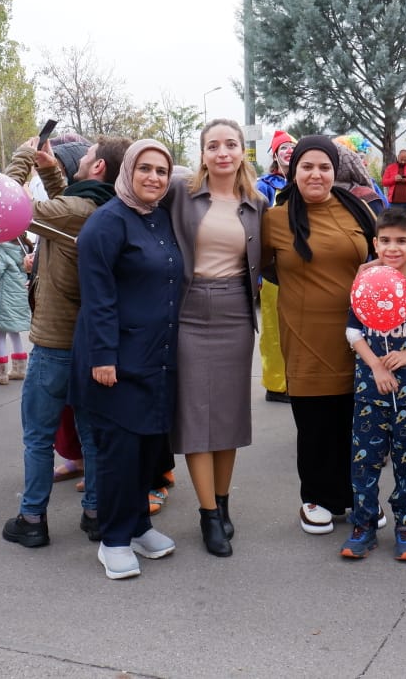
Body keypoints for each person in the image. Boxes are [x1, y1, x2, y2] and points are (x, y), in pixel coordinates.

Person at [0, 134, 128, 549]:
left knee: (37, 435)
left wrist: (22, 157)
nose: (83, 156)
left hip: (56, 343)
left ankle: (32, 517)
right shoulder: (107, 207)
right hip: (91, 342)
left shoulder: (76, 210)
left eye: (88, 154)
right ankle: (94, 513)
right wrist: (50, 168)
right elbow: (69, 205)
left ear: (99, 168)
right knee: (90, 433)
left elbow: (7, 205)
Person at [72, 140, 183, 580]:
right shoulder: (106, 223)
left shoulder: (158, 218)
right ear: (128, 172)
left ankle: (138, 525)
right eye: (145, 169)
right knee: (118, 453)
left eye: (161, 170)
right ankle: (113, 540)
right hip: (114, 359)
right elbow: (97, 298)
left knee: (145, 449)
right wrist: (103, 356)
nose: (154, 178)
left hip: (156, 355)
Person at [261, 135, 378, 535]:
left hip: (359, 335)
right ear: (293, 171)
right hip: (305, 334)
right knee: (315, 423)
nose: (315, 174)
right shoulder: (276, 218)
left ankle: (358, 494)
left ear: (335, 171)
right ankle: (316, 497)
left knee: (356, 420)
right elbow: (263, 266)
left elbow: (381, 257)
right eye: (307, 166)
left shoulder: (358, 209)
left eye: (323, 167)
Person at [164, 119, 266, 557]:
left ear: (243, 150)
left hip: (236, 313)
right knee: (195, 416)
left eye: (230, 144)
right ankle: (207, 515)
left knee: (227, 415)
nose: (222, 152)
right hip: (188, 311)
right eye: (212, 146)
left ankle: (223, 504)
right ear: (202, 153)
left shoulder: (257, 203)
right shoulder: (180, 194)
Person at [339, 208, 406, 562]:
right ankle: (363, 526)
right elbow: (353, 331)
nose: (393, 248)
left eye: (402, 241)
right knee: (365, 461)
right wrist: (376, 367)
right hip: (370, 391)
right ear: (375, 244)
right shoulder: (365, 286)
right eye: (385, 241)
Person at [257, 131, 295, 405]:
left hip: (297, 269)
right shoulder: (264, 186)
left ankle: (294, 379)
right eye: (283, 147)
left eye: (292, 146)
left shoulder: (304, 179)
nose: (288, 151)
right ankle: (275, 384)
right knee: (272, 328)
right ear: (274, 154)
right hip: (272, 269)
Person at [0, 237, 32, 386]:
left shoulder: (0, 247)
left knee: (0, 334)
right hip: (19, 293)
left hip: (4, 296)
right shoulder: (24, 247)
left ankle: (1, 374)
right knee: (14, 332)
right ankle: (19, 369)